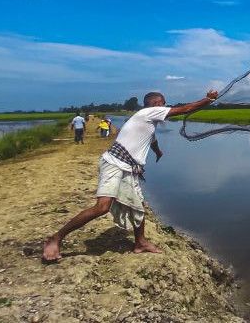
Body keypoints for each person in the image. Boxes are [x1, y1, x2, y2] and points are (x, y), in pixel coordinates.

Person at [43, 89, 219, 261]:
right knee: (102, 207)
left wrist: (158, 152)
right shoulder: (148, 112)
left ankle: (140, 243)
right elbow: (185, 109)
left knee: (138, 206)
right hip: (114, 164)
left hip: (127, 167)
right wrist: (208, 100)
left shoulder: (147, 121)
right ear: (156, 104)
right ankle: (56, 238)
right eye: (164, 103)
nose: (166, 107)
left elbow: (152, 139)